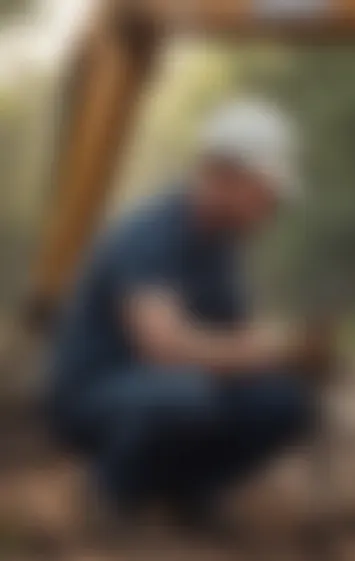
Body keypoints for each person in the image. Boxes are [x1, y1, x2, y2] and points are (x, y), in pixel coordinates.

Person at [47, 98, 324, 530]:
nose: (271, 208)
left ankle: (189, 492)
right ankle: (110, 492)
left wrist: (290, 355)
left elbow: (237, 335)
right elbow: (163, 346)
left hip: (165, 390)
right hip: (97, 395)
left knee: (283, 402)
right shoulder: (150, 235)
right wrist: (269, 352)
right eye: (264, 193)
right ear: (227, 177)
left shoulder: (219, 248)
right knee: (185, 396)